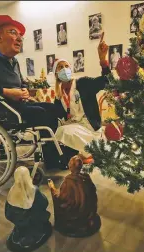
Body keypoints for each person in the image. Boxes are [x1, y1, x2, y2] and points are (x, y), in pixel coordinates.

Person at [0, 15, 59, 169]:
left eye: (20, 36)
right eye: (13, 33)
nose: (19, 38)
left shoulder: (13, 61)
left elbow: (20, 82)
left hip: (12, 105)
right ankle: (53, 160)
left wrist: (23, 90)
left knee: (52, 108)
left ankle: (54, 155)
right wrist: (6, 92)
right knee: (41, 113)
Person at [53, 32, 110, 164]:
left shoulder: (83, 83)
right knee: (60, 131)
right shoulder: (58, 95)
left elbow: (106, 82)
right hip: (75, 128)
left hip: (89, 127)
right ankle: (90, 153)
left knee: (63, 132)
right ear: (56, 73)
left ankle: (95, 150)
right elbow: (58, 115)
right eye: (60, 67)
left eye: (66, 66)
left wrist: (103, 60)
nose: (64, 69)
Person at [48, 155, 101, 237]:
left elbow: (61, 198)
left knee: (59, 203)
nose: (68, 164)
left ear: (71, 167)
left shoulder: (68, 181)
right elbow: (93, 192)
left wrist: (52, 187)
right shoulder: (86, 177)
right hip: (89, 212)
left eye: (70, 163)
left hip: (75, 214)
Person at [5, 166, 52, 252]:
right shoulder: (34, 190)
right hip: (30, 220)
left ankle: (20, 233)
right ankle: (32, 235)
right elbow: (44, 203)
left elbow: (7, 210)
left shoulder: (12, 190)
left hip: (17, 220)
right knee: (42, 215)